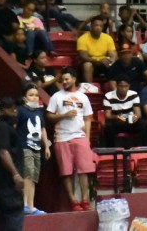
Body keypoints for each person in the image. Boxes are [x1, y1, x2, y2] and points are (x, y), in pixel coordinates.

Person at [46, 68, 95, 212]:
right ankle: (73, 200)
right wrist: (64, 115)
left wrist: (87, 138)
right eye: (63, 79)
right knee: (65, 171)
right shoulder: (56, 97)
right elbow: (49, 116)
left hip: (79, 136)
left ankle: (85, 199)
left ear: (74, 79)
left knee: (84, 170)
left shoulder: (83, 97)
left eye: (67, 79)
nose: (64, 82)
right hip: (62, 137)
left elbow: (87, 119)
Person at [0, 96, 26, 231]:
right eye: (11, 109)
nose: (15, 111)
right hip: (6, 181)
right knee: (14, 212)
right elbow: (3, 152)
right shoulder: (3, 127)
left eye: (15, 108)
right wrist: (15, 174)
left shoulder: (2, 126)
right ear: (2, 111)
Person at [17, 84, 50, 216]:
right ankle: (24, 204)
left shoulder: (38, 112)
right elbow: (14, 127)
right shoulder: (20, 111)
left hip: (37, 148)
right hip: (25, 146)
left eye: (36, 95)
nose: (34, 97)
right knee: (27, 175)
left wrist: (46, 146)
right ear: (24, 97)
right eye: (31, 95)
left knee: (34, 177)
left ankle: (31, 206)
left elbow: (43, 129)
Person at [103, 76, 146, 147]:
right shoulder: (108, 96)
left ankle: (143, 148)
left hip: (130, 122)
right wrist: (118, 117)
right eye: (121, 86)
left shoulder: (134, 94)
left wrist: (135, 117)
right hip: (116, 122)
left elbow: (138, 113)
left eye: (126, 86)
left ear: (129, 86)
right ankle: (111, 150)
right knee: (108, 127)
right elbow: (107, 116)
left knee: (143, 124)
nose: (123, 89)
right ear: (116, 86)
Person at [76, 16, 117, 83]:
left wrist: (111, 61)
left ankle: (114, 88)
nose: (98, 28)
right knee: (87, 65)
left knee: (116, 63)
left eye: (101, 26)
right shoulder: (82, 39)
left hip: (104, 63)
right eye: (96, 25)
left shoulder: (108, 38)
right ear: (91, 26)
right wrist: (99, 60)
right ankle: (90, 87)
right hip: (91, 62)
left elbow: (113, 53)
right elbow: (84, 57)